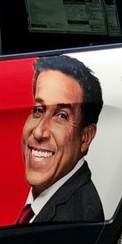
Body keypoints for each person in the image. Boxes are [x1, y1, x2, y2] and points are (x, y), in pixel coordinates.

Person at [16, 54, 104, 224]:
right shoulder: (43, 201)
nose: (39, 132)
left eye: (62, 116)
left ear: (85, 137)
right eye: (39, 110)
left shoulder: (75, 218)